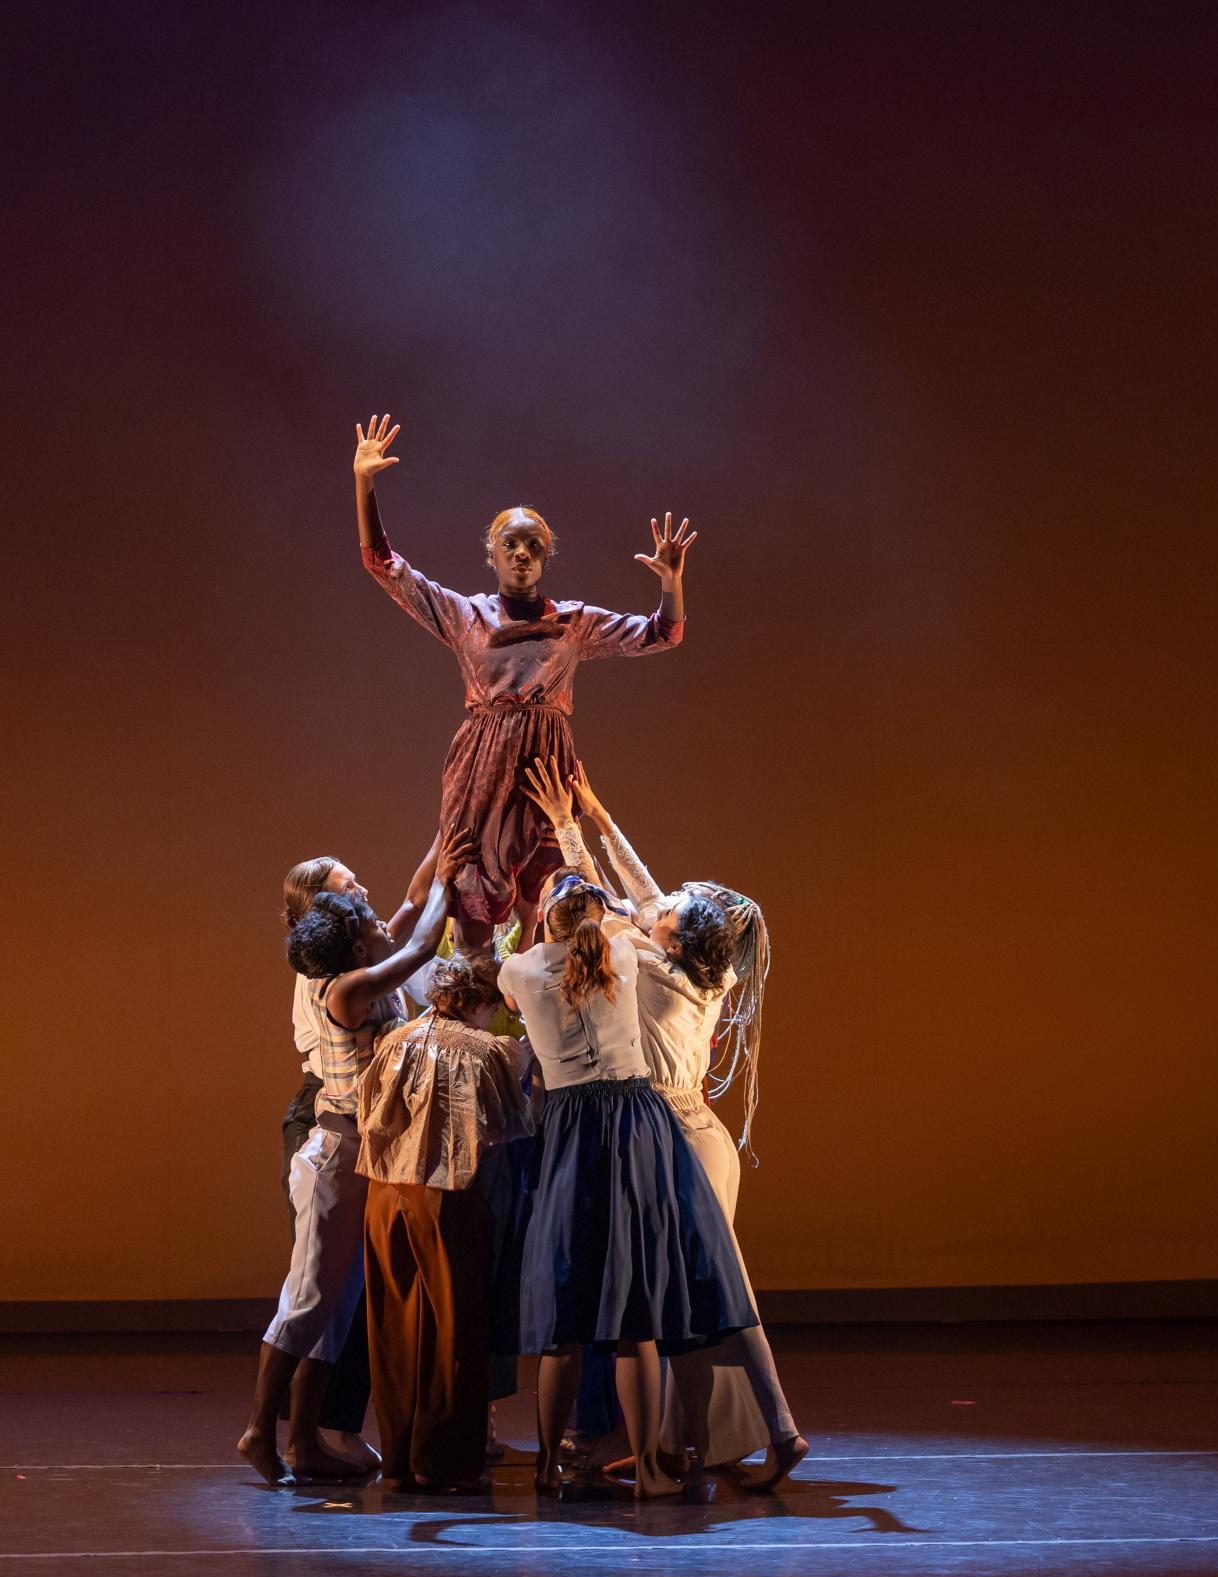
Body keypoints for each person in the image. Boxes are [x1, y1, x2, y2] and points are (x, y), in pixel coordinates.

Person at [523, 762, 808, 1490]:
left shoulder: (647, 961)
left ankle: (771, 1430)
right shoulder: (708, 968)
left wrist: (568, 831)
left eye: (668, 912)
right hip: (695, 1132)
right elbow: (642, 890)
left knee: (700, 1297)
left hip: (668, 1135)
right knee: (698, 1300)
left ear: (673, 938)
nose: (655, 906)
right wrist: (594, 807)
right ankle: (687, 1443)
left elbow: (603, 907)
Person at [349, 412, 697, 951]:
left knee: (562, 890)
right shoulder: (465, 615)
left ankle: (548, 1002)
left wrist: (672, 584)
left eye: (533, 546)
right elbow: (384, 565)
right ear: (492, 553)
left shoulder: (572, 623)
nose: (522, 554)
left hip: (547, 764)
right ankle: (474, 1001)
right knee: (472, 882)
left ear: (545, 557)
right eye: (511, 544)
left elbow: (662, 634)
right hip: (484, 762)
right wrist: (364, 483)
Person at [500, 874, 758, 1499]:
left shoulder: (521, 970)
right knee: (635, 1309)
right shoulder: (619, 948)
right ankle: (650, 1469)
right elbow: (636, 914)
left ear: (545, 919)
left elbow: (520, 985)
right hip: (634, 1122)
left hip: (569, 1127)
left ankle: (544, 1466)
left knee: (565, 1315)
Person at [237, 829, 471, 1486]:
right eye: (354, 896)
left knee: (336, 1305)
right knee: (309, 1296)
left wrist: (439, 848)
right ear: (339, 927)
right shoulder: (340, 988)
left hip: (360, 1150)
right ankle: (260, 1430)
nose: (370, 903)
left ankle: (305, 1440)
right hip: (335, 1150)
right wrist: (448, 887)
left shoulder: (349, 965)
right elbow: (419, 940)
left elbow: (402, 916)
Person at [357, 955, 534, 1490]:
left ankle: (400, 1455)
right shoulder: (490, 1051)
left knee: (394, 1326)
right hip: (448, 1197)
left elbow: (369, 1110)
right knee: (457, 1326)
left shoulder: (394, 1040)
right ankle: (446, 1462)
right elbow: (507, 1125)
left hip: (385, 1195)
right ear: (480, 1000)